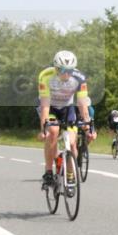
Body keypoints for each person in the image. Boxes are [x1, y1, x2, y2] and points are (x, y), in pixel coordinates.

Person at [37, 50, 95, 186]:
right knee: (53, 131)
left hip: (67, 108)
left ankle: (70, 176)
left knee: (72, 141)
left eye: (70, 70)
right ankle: (48, 172)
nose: (66, 73)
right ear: (56, 68)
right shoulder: (45, 76)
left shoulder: (79, 78)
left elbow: (82, 104)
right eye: (62, 69)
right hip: (50, 107)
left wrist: (88, 128)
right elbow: (44, 106)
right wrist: (43, 129)